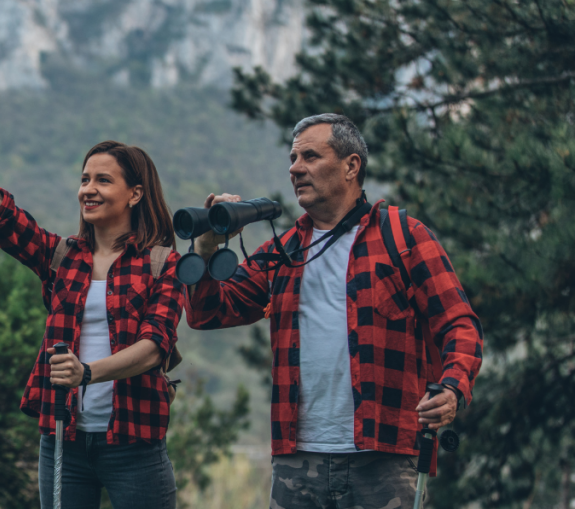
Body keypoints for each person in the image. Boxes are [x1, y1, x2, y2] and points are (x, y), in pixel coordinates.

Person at [183, 114, 483, 508]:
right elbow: (207, 313)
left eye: (309, 156)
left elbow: (460, 325)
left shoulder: (403, 236)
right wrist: (205, 248)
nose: (295, 168)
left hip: (386, 454)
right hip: (298, 458)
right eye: (292, 158)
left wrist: (452, 388)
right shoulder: (285, 250)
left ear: (351, 165)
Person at [0, 106, 181, 509]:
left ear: (135, 193)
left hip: (135, 442)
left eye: (103, 180)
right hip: (64, 439)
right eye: (84, 180)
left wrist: (86, 373)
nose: (88, 189)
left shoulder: (162, 263)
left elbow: (155, 346)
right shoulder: (64, 257)